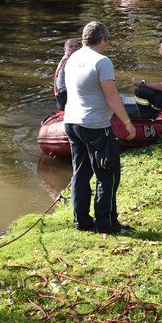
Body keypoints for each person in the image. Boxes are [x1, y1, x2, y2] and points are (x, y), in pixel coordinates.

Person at [63, 21, 136, 234]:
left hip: (71, 122)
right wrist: (128, 123)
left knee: (81, 173)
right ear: (102, 39)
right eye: (107, 40)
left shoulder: (72, 59)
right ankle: (106, 223)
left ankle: (82, 222)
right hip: (95, 125)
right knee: (107, 174)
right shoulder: (102, 61)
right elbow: (111, 96)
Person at [54, 37, 81, 110]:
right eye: (71, 46)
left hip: (60, 96)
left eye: (76, 46)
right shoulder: (70, 61)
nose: (74, 48)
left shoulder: (65, 58)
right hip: (64, 97)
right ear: (65, 49)